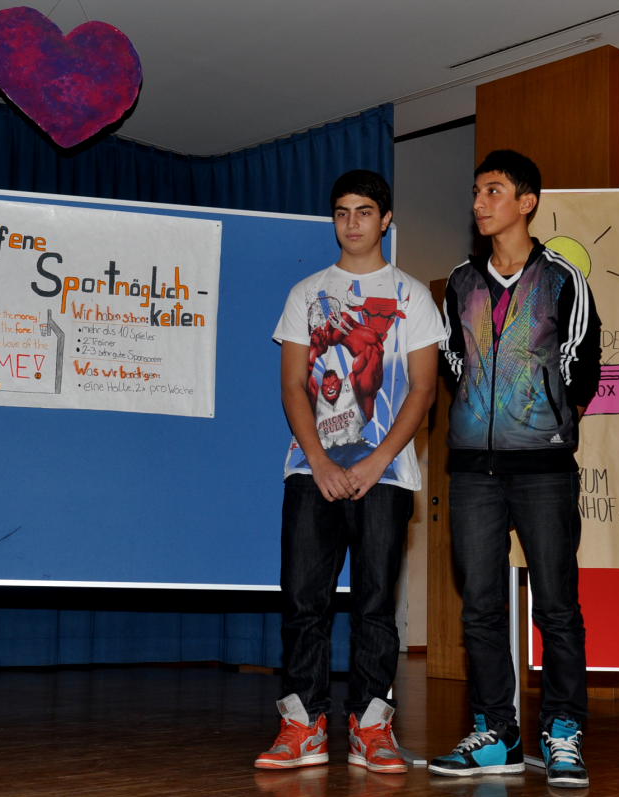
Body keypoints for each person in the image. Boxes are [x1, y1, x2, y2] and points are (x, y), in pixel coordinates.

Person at [257, 170, 443, 773]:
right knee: (302, 600)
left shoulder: (412, 297)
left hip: (384, 474)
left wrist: (377, 459)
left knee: (375, 605)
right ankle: (303, 725)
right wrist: (318, 461)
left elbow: (423, 389)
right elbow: (292, 385)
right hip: (310, 471)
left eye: (364, 211)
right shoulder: (305, 293)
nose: (352, 223)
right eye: (342, 212)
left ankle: (371, 727)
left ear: (385, 220)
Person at [429, 150, 601, 788]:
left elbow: (582, 365)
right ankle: (496, 733)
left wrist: (544, 422)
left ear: (527, 203)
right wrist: (483, 413)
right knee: (479, 605)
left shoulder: (562, 278)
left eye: (493, 191)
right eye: (477, 191)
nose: (479, 203)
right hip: (473, 468)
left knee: (556, 605)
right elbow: (453, 360)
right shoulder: (460, 281)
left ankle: (564, 731)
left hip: (544, 467)